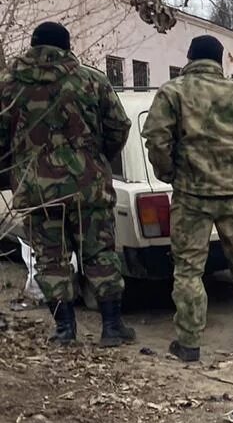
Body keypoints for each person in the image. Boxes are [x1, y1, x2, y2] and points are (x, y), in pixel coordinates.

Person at [0, 22, 134, 346]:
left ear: (32, 46)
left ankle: (64, 330)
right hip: (88, 188)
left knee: (50, 259)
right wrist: (97, 159)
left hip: (37, 191)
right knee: (100, 253)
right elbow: (119, 125)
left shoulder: (9, 86)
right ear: (67, 46)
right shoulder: (92, 80)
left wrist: (12, 171)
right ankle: (112, 327)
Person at [142, 35, 233, 363]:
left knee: (188, 269)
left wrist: (170, 173)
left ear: (189, 57)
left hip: (191, 196)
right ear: (220, 61)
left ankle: (188, 342)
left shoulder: (172, 92)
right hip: (232, 194)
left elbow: (157, 140)